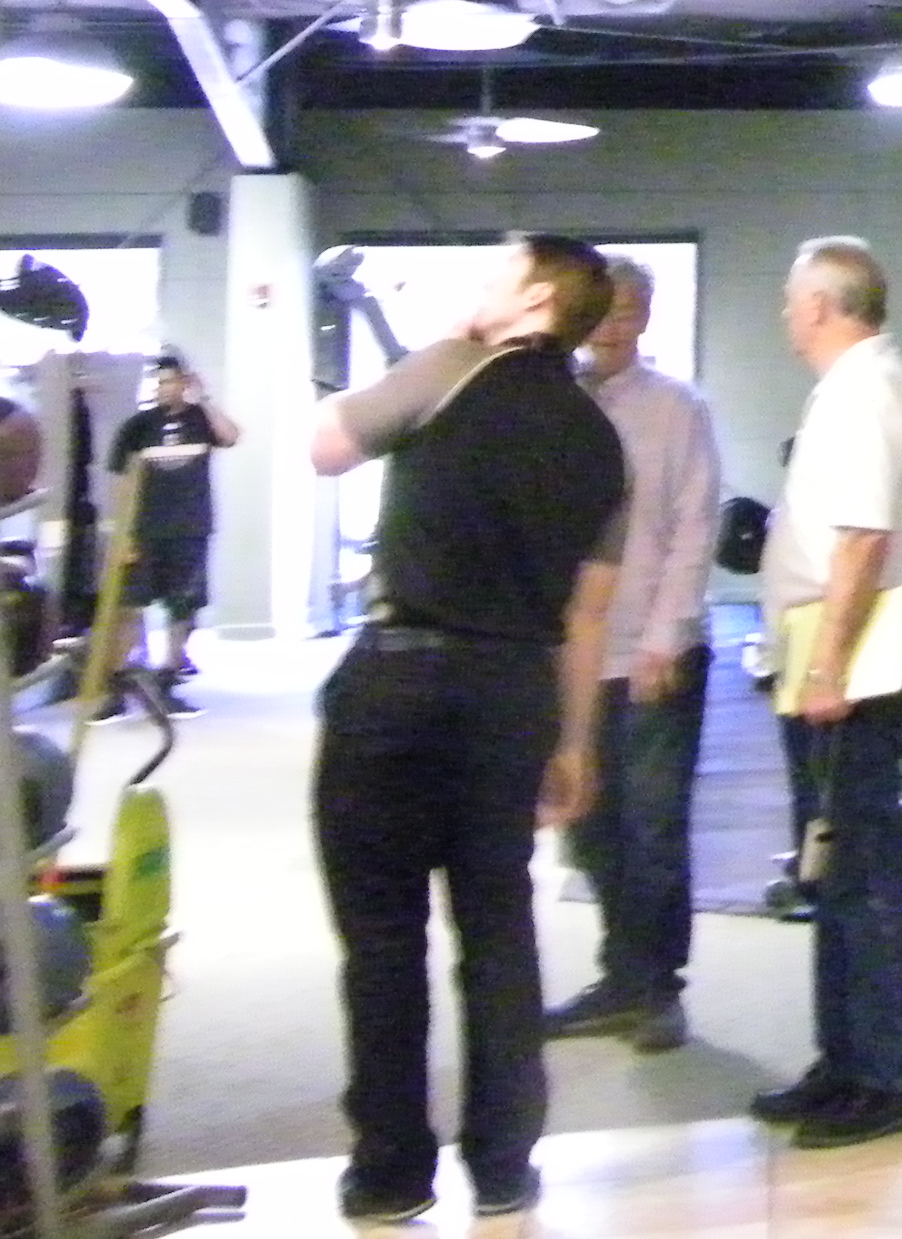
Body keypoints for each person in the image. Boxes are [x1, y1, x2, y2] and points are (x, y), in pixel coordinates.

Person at [308, 233, 630, 1225]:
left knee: (382, 936)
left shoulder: (448, 366)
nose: (477, 285)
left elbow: (326, 446)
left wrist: (437, 345)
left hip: (400, 681)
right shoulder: (600, 441)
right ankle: (503, 1166)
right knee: (497, 928)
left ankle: (390, 1171)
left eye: (496, 272)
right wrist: (573, 742)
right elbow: (587, 615)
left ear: (536, 299)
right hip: (512, 693)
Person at [750, 236, 902, 1150]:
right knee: (830, 870)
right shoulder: (856, 387)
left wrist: (827, 667)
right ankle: (847, 1061)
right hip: (830, 654)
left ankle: (890, 1078)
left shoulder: (865, 393)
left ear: (822, 305)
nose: (786, 313)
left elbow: (862, 542)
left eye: (793, 299)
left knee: (860, 875)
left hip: (853, 664)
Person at [545, 259, 722, 1054]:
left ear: (646, 318)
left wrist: (665, 635)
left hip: (653, 653)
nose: (612, 328)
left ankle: (658, 989)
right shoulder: (552, 404)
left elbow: (694, 525)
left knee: (653, 828)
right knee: (588, 822)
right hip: (571, 657)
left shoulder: (678, 409)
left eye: (627, 313)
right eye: (601, 314)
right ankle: (620, 975)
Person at [105, 353, 238, 693]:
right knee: (130, 603)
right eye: (159, 382)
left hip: (191, 528)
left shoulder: (201, 419)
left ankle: (168, 674)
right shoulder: (139, 426)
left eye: (169, 381)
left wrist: (204, 397)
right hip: (146, 529)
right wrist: (122, 532)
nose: (163, 388)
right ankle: (119, 681)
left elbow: (230, 436)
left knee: (183, 605)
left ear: (184, 382)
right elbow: (120, 478)